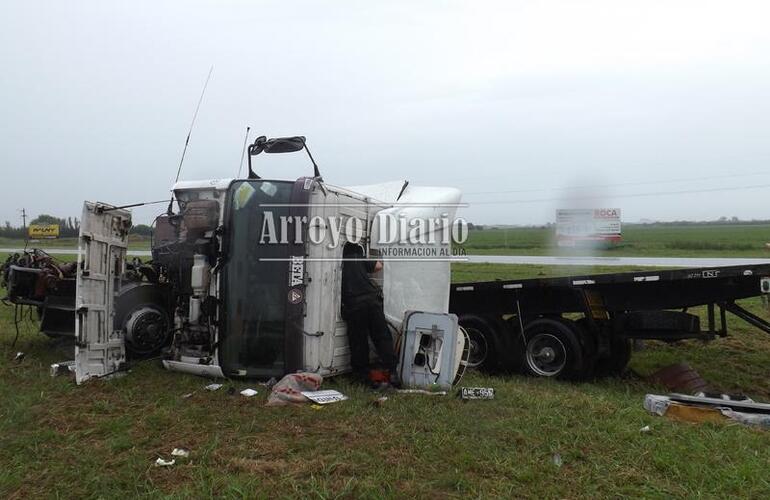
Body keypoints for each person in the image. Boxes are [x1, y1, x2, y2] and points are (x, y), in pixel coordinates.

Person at [341, 242, 398, 387]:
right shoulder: (360, 259)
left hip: (355, 305)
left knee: (359, 341)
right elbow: (378, 265)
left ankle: (363, 375)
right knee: (381, 336)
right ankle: (391, 372)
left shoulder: (340, 262)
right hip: (373, 302)